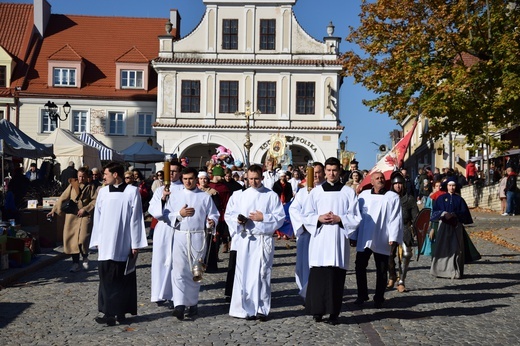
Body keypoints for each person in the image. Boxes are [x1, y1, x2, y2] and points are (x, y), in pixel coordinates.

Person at [302, 157, 362, 325]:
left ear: (340, 171)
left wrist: (340, 218)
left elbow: (356, 217)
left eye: (334, 170)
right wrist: (319, 218)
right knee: (319, 276)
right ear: (324, 171)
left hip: (337, 239)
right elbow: (306, 215)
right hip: (320, 239)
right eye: (328, 170)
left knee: (335, 278)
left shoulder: (348, 192)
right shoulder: (316, 192)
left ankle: (334, 313)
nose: (331, 173)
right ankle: (317, 311)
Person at [89, 162, 147, 326]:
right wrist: (97, 240)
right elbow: (98, 217)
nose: (103, 177)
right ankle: (108, 312)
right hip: (106, 242)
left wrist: (135, 243)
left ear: (115, 174)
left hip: (123, 241)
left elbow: (136, 218)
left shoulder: (131, 191)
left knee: (121, 279)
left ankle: (119, 312)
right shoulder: (103, 192)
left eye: (106, 174)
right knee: (106, 279)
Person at [224, 164, 285, 321]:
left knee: (262, 274)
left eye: (256, 178)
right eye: (250, 179)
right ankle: (245, 308)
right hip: (246, 239)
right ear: (246, 178)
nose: (253, 182)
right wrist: (238, 220)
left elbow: (280, 218)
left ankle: (262, 309)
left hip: (263, 239)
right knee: (243, 274)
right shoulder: (241, 196)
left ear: (262, 178)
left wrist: (263, 217)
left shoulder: (271, 196)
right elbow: (229, 215)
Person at [164, 167, 219, 320]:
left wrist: (211, 222)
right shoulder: (175, 195)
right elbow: (166, 215)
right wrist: (179, 215)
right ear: (182, 179)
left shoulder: (204, 196)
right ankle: (179, 305)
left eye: (191, 179)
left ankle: (192, 303)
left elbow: (214, 213)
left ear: (196, 179)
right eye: (185, 179)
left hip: (197, 237)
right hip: (180, 235)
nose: (188, 181)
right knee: (179, 271)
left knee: (195, 271)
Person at [351, 171, 402, 309]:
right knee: (360, 266)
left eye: (382, 178)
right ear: (371, 181)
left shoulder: (392, 197)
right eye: (377, 178)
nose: (380, 180)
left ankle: (379, 297)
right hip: (365, 236)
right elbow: (356, 216)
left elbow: (395, 218)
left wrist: (393, 236)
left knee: (382, 269)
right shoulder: (363, 196)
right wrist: (354, 236)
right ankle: (362, 295)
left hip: (382, 236)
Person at [47, 167, 98, 272]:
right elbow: (62, 198)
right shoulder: (72, 185)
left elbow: (94, 200)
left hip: (84, 215)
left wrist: (86, 209)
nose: (81, 178)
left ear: (87, 177)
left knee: (83, 238)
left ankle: (85, 256)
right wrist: (53, 210)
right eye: (79, 176)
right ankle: (75, 263)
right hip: (72, 216)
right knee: (72, 240)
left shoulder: (91, 187)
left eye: (83, 176)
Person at [148, 161, 183, 307]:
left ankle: (175, 294)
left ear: (180, 173)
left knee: (176, 262)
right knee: (161, 260)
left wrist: (175, 215)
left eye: (175, 171)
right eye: (171, 171)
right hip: (163, 229)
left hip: (178, 228)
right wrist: (163, 198)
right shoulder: (160, 190)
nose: (173, 174)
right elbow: (154, 211)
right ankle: (159, 293)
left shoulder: (184, 189)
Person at [289, 162, 325, 300]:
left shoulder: (326, 191)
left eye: (318, 172)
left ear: (323, 173)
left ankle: (317, 294)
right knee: (303, 265)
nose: (316, 175)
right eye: (313, 173)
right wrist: (303, 224)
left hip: (320, 234)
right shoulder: (303, 192)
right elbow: (294, 209)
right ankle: (305, 293)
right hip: (305, 234)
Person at [430, 179, 480, 279]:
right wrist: (444, 214)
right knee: (442, 248)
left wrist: (455, 215)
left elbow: (465, 214)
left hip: (456, 226)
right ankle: (440, 271)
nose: (451, 188)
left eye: (453, 186)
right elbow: (435, 212)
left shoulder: (459, 200)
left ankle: (454, 271)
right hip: (443, 226)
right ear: (446, 186)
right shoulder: (441, 198)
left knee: (456, 249)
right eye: (449, 185)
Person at [387, 172, 418, 292]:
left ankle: (401, 281)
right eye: (395, 184)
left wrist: (416, 229)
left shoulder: (409, 199)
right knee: (389, 255)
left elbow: (416, 217)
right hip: (391, 229)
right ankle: (392, 276)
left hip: (405, 228)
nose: (398, 186)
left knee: (406, 255)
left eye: (400, 183)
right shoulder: (388, 198)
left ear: (404, 185)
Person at [272, 170, 294, 240]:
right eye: (282, 176)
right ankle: (278, 233)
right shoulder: (276, 184)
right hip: (278, 201)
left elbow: (290, 193)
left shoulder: (288, 184)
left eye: (284, 176)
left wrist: (286, 201)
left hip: (286, 202)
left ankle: (285, 233)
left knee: (286, 218)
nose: (283, 178)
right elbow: (274, 193)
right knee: (278, 217)